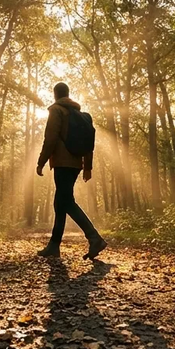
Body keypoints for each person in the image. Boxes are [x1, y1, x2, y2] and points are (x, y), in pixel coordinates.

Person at [36, 82, 107, 259]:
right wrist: (87, 167)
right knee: (60, 202)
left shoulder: (57, 110)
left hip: (62, 162)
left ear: (55, 94)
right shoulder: (81, 115)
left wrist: (41, 161)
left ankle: (94, 238)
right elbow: (89, 144)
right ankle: (54, 246)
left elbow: (50, 138)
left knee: (66, 202)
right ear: (68, 93)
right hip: (76, 163)